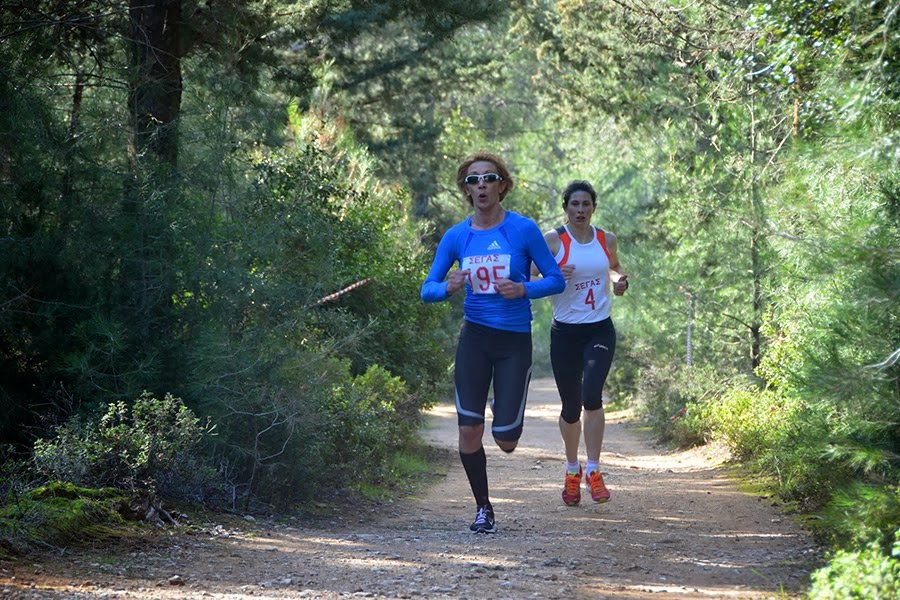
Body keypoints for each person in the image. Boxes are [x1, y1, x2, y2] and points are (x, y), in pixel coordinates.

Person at [421, 152, 566, 533]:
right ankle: (483, 507)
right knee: (468, 430)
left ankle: (503, 408)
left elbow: (556, 279)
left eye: (488, 178)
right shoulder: (456, 236)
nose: (480, 185)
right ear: (466, 190)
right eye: (472, 181)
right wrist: (447, 287)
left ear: (502, 185)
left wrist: (523, 289)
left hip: (513, 341)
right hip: (475, 338)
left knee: (505, 440)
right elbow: (427, 289)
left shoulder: (523, 230)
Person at [538, 180, 628, 506]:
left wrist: (618, 281)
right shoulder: (553, 241)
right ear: (566, 208)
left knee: (592, 396)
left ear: (593, 207)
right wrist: (556, 274)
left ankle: (594, 470)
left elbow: (615, 267)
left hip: (599, 329)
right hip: (565, 332)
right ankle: (572, 470)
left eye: (586, 204)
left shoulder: (606, 239)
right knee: (570, 407)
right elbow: (530, 276)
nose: (580, 210)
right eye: (574, 204)